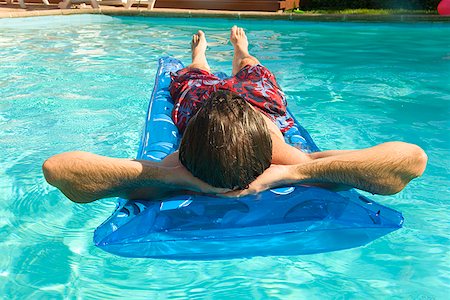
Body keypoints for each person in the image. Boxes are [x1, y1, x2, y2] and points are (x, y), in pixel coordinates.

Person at [42, 27, 428, 204]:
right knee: (215, 75)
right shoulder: (289, 159)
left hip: (238, 108)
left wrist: (168, 177)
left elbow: (58, 169)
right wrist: (296, 171)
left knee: (235, 71)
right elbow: (411, 160)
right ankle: (205, 56)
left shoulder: (173, 169)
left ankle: (237, 49)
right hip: (227, 106)